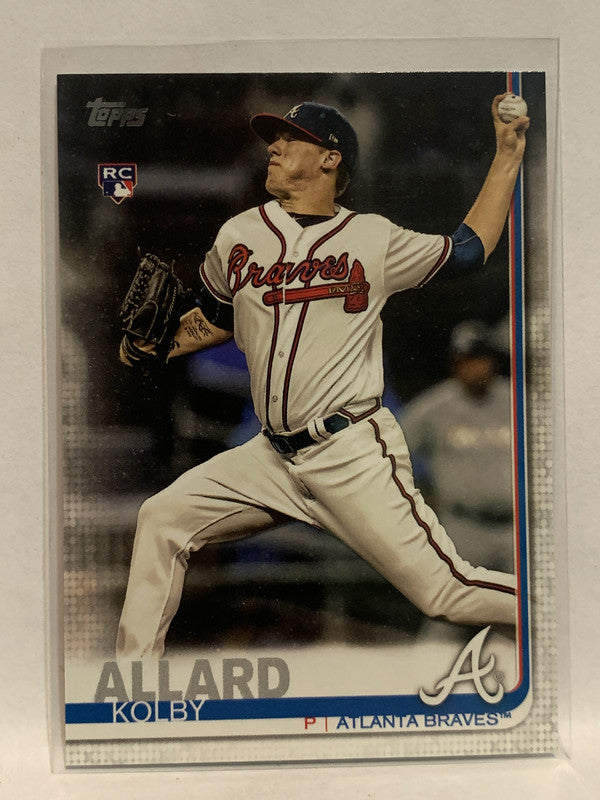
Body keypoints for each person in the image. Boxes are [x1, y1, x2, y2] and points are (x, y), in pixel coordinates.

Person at [117, 96, 529, 659]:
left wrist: (506, 156)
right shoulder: (239, 234)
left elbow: (469, 248)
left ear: (330, 158)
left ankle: (567, 612)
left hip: (348, 450)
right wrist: (153, 344)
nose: (274, 147)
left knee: (445, 593)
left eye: (290, 139)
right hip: (271, 457)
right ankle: (134, 687)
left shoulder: (372, 237)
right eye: (275, 139)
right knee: (161, 518)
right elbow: (214, 319)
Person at [401, 320, 514, 574]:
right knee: (459, 598)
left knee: (524, 598)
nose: (475, 367)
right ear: (454, 364)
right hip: (462, 528)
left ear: (493, 361)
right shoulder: (433, 408)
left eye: (480, 358)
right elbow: (390, 452)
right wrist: (417, 497)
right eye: (466, 359)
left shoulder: (520, 400)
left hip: (515, 528)